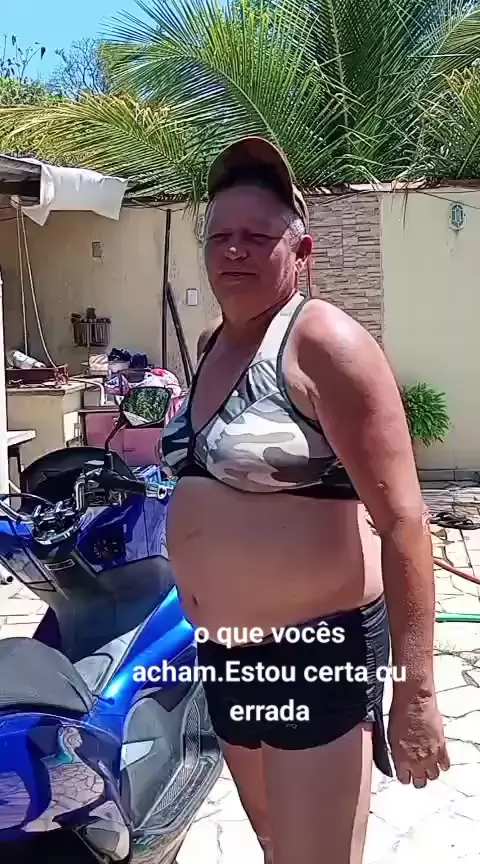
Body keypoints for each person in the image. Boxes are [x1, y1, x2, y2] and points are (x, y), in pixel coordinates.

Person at [161, 137, 450, 864]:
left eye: (257, 236)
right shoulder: (212, 345)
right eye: (220, 236)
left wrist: (416, 693)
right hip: (225, 654)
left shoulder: (323, 342)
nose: (234, 250)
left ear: (303, 251)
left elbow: (404, 520)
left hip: (314, 653)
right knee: (274, 845)